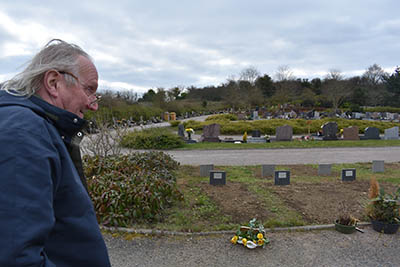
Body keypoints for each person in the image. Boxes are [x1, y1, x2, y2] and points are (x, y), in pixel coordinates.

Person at [0, 39, 111, 266]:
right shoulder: (24, 132)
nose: (94, 104)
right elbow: (17, 256)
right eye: (89, 89)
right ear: (53, 82)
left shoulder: (39, 128)